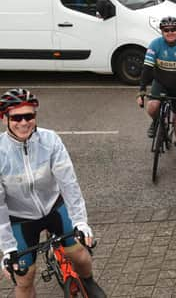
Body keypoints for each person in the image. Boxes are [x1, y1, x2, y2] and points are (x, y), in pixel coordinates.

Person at [0, 89, 106, 298]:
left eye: (29, 116)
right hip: (20, 219)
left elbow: (69, 184)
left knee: (80, 256)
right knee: (24, 278)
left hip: (54, 206)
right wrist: (8, 248)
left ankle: (88, 281)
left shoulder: (50, 140)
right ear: (4, 119)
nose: (23, 122)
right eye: (16, 117)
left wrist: (80, 222)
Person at [137, 16, 176, 164]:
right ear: (162, 31)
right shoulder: (155, 44)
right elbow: (147, 68)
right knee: (152, 107)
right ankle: (156, 121)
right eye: (166, 30)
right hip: (161, 81)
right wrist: (142, 90)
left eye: (174, 29)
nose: (170, 32)